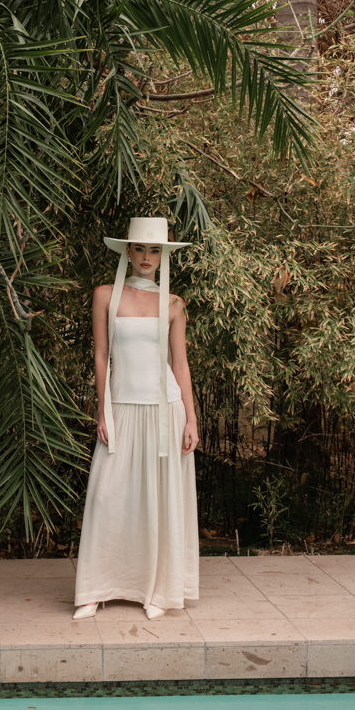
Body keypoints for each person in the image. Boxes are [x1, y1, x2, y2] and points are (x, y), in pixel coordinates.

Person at [73, 217, 200, 621]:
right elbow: (101, 356)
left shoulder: (175, 303)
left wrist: (191, 420)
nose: (147, 257)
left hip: (166, 411)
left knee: (159, 503)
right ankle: (93, 589)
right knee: (107, 496)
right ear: (128, 251)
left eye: (155, 250)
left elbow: (180, 366)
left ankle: (159, 592)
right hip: (122, 408)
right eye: (141, 249)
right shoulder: (105, 294)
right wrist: (103, 407)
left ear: (163, 256)